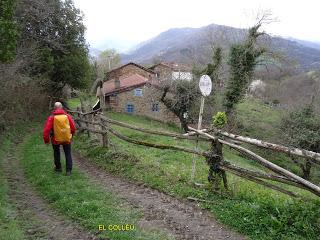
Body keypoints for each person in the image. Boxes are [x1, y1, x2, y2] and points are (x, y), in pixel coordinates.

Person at [43, 102, 76, 175]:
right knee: (67, 153)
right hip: (67, 138)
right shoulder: (67, 116)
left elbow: (46, 130)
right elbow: (73, 128)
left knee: (56, 153)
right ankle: (68, 171)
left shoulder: (51, 117)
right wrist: (71, 136)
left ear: (54, 108)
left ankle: (58, 168)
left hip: (55, 139)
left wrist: (46, 140)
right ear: (61, 108)